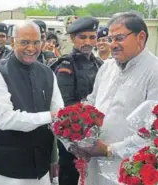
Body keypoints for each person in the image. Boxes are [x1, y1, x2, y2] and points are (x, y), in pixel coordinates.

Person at [78, 12, 158, 185]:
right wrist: (77, 131)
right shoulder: (106, 67)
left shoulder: (155, 72)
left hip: (129, 170)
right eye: (111, 39)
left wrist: (110, 150)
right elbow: (92, 103)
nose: (113, 45)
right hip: (93, 164)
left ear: (141, 37)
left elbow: (154, 132)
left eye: (119, 38)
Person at [0, 21, 64, 185]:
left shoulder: (47, 72)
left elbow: (59, 113)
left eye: (36, 42)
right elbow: (6, 119)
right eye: (25, 42)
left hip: (40, 168)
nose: (31, 48)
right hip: (6, 170)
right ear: (12, 42)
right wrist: (49, 116)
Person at [55, 16, 103, 185]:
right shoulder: (66, 65)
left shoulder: (99, 64)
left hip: (94, 137)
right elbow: (66, 105)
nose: (88, 42)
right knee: (71, 177)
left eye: (92, 37)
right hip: (73, 136)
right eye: (83, 37)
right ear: (72, 39)